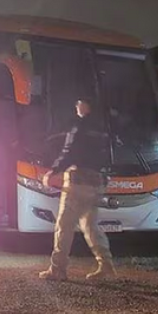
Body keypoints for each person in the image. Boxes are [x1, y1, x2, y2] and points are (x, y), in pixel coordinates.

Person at [39, 98, 115, 281]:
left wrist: (53, 171)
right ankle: (106, 266)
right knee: (90, 226)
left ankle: (58, 269)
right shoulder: (104, 129)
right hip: (97, 182)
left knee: (64, 224)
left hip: (78, 181)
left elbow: (69, 151)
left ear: (87, 106)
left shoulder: (79, 127)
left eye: (79, 103)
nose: (77, 106)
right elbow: (110, 157)